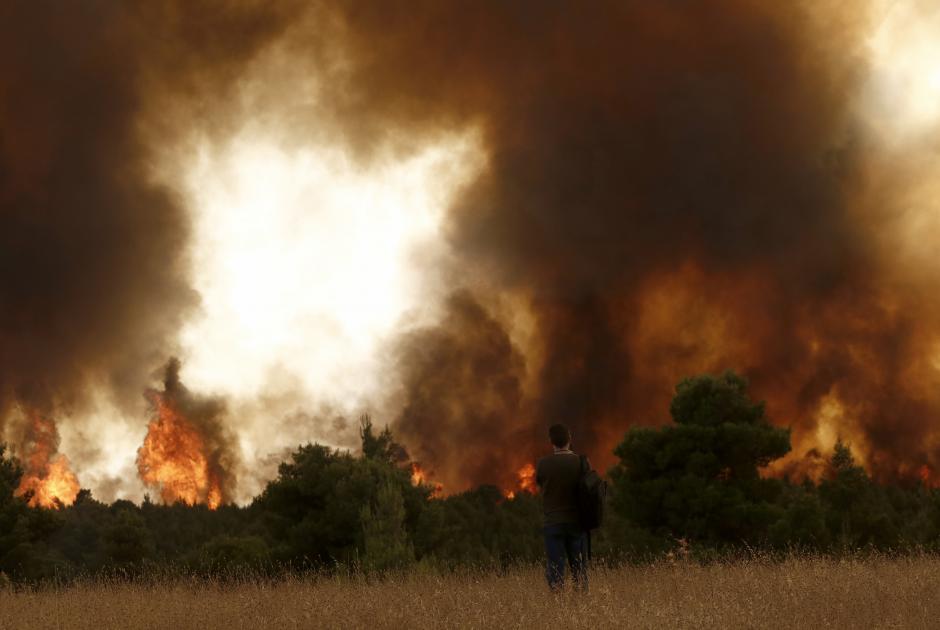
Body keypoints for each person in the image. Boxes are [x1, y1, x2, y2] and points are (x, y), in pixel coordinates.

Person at [535, 423, 588, 592]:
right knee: (579, 568)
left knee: (555, 568)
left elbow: (540, 483)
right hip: (576, 522)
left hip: (553, 522)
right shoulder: (581, 462)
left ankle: (558, 604)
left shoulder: (543, 463)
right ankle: (582, 601)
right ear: (569, 439)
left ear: (551, 441)